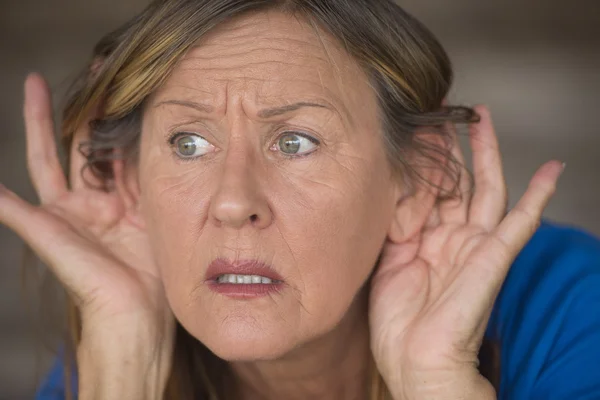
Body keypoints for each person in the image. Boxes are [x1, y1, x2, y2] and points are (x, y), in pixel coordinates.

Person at [1, 0, 598, 399]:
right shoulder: (107, 357)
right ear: (132, 185)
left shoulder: (572, 307)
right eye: (188, 142)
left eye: (295, 141)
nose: (233, 202)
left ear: (416, 179)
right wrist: (124, 368)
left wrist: (438, 382)